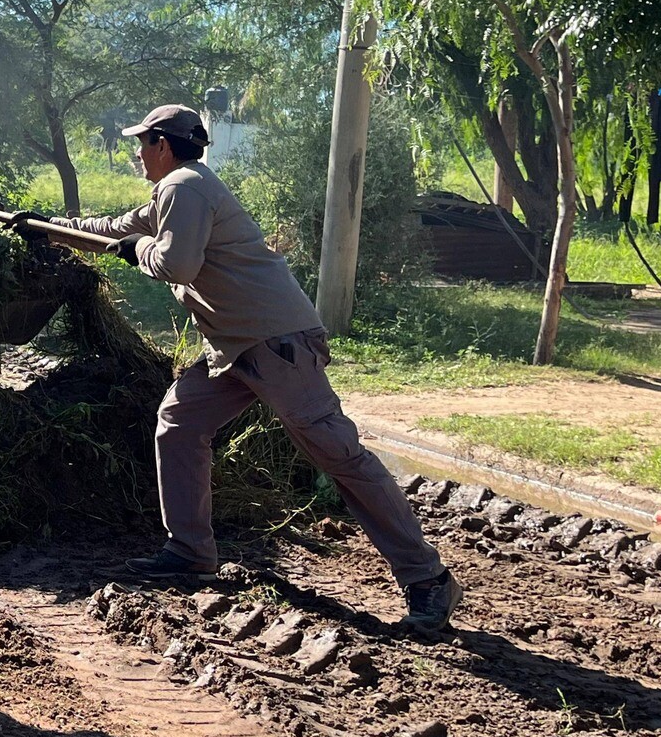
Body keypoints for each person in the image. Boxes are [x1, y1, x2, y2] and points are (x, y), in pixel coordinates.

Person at [52, 103, 463, 634]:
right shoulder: (172, 190)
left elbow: (174, 264)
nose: (136, 153)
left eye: (142, 142)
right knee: (179, 424)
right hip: (233, 348)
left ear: (163, 144)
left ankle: (428, 580)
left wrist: (137, 251)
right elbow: (112, 228)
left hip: (276, 345)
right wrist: (47, 229)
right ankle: (191, 551)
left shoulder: (185, 187)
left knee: (341, 457)